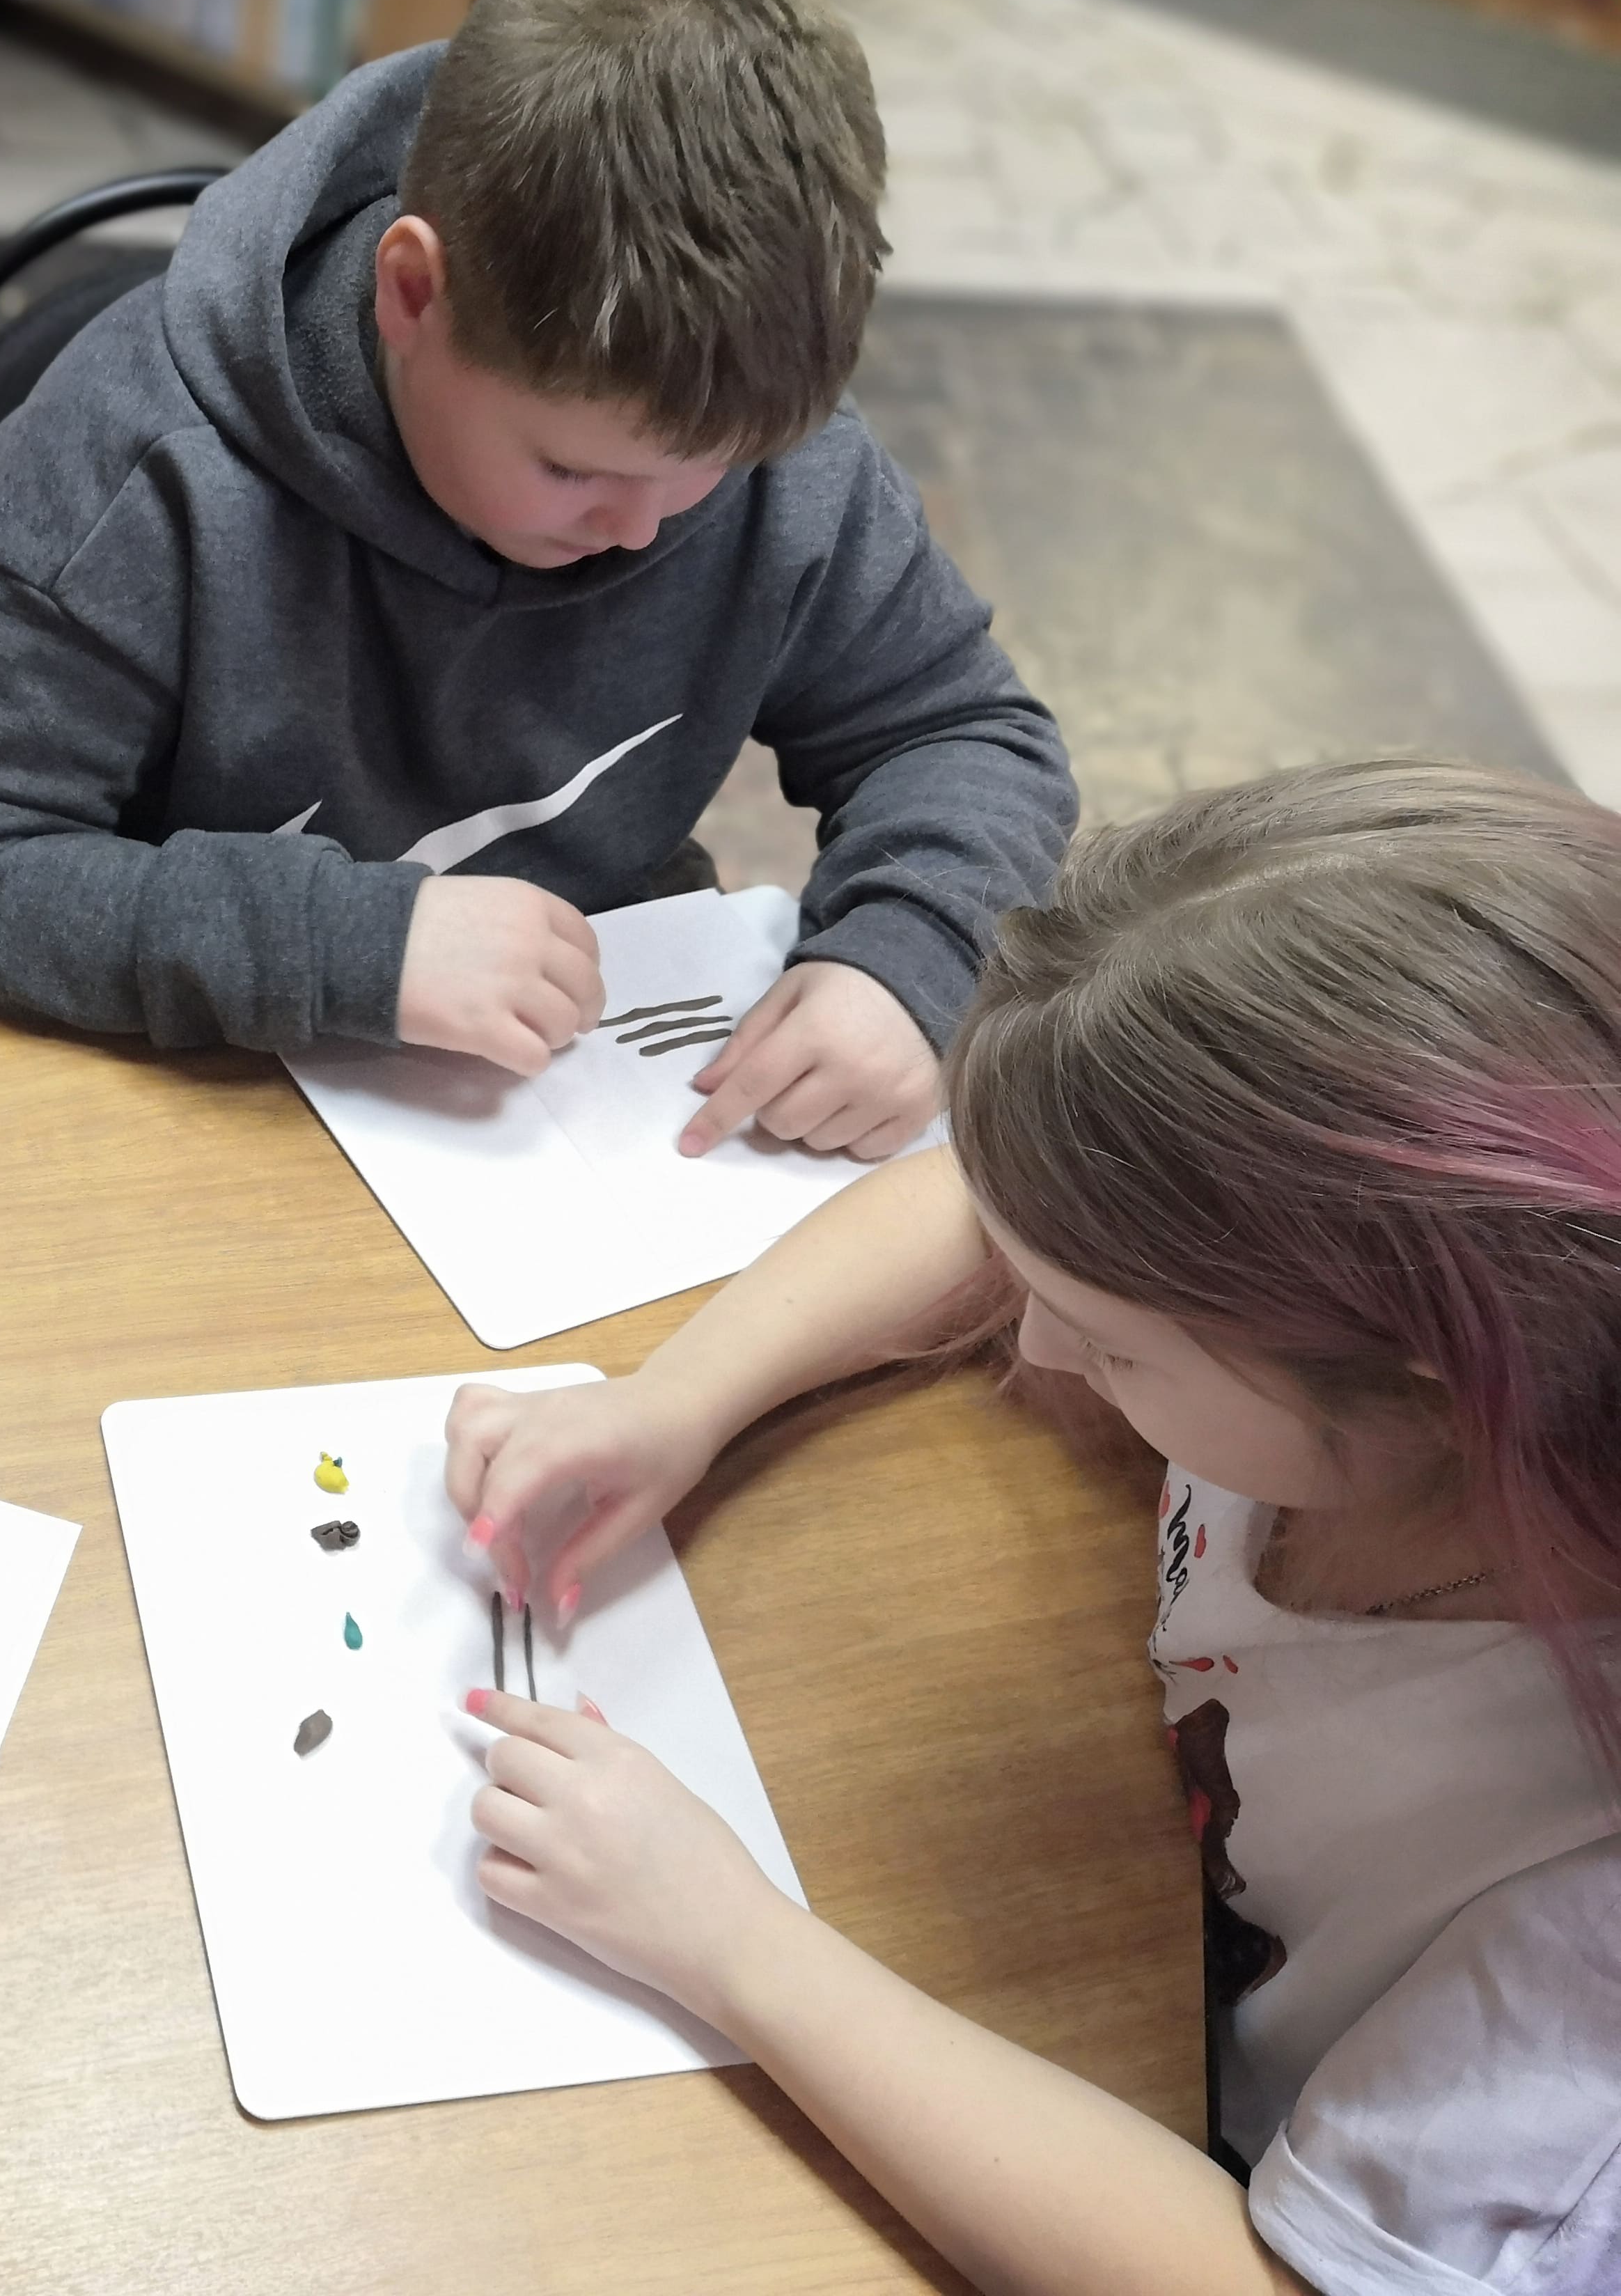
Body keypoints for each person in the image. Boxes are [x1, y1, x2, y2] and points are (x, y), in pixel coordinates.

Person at [443, 762, 1621, 2292]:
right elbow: (1000, 1218)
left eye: (1113, 1347)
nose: (1044, 1345)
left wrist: (732, 1943)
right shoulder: (1405, 1341)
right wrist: (679, 1401)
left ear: (1428, 1390)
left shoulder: (1575, 1918)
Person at [0, 0, 1074, 1162]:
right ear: (412, 295)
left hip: (564, 1102)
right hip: (178, 1085)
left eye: (708, 471)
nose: (643, 528)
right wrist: (353, 943)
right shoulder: (136, 466)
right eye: (574, 469)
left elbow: (959, 732)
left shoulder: (774, 457)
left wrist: (911, 952)